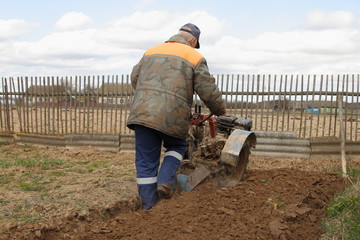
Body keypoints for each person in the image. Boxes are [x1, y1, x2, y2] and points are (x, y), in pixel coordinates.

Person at [127, 23, 225, 210]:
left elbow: (134, 77)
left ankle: (149, 206)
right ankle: (164, 181)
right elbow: (207, 90)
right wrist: (219, 109)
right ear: (193, 41)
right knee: (177, 145)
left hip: (142, 113)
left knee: (145, 162)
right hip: (172, 115)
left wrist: (148, 97)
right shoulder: (194, 56)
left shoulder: (151, 51)